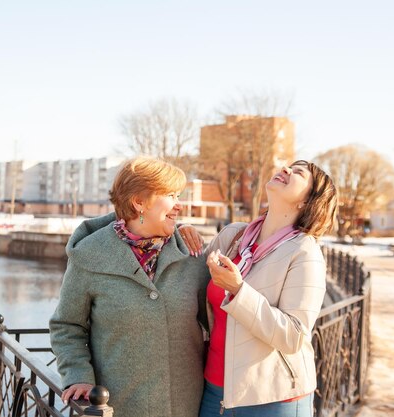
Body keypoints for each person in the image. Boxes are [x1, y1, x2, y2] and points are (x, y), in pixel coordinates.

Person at [49, 157, 210, 417]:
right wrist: (78, 375)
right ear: (139, 202)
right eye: (170, 195)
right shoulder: (90, 255)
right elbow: (67, 326)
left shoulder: (192, 255)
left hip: (186, 407)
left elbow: (214, 325)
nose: (179, 204)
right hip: (117, 407)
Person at [179, 160, 337, 417]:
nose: (285, 170)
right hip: (214, 391)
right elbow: (187, 278)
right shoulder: (233, 236)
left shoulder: (305, 251)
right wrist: (181, 231)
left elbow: (294, 336)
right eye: (287, 166)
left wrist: (238, 291)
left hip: (273, 399)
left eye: (298, 173)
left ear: (307, 202)